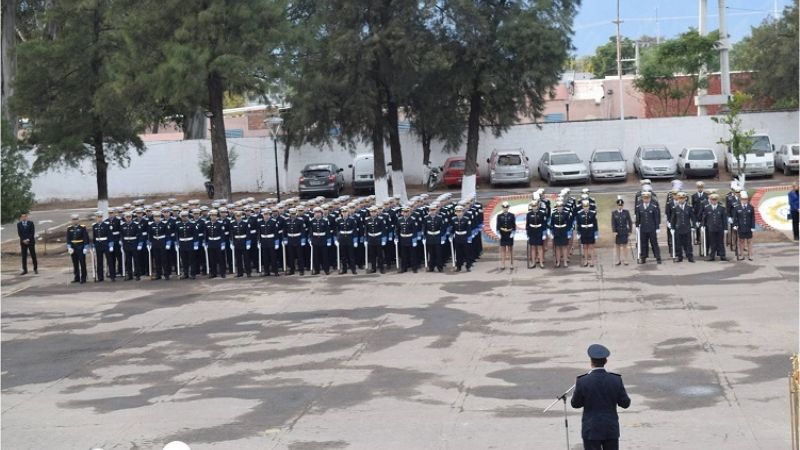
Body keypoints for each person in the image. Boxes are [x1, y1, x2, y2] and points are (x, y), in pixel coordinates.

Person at [571, 344, 631, 450]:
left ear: (591, 362)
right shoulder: (616, 380)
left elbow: (575, 404)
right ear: (606, 361)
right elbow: (625, 404)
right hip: (610, 429)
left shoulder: (582, 381)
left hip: (591, 429)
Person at [635, 191, 661, 264]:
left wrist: (657, 227)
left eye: (647, 198)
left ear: (650, 198)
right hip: (643, 228)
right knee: (643, 244)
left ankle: (658, 257)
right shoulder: (639, 206)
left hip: (652, 228)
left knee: (654, 243)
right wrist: (637, 225)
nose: (646, 199)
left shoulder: (653, 206)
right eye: (644, 198)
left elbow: (656, 218)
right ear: (642, 198)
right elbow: (638, 217)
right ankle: (643, 257)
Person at [669, 192, 695, 263]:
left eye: (682, 198)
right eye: (680, 198)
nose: (681, 200)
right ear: (678, 199)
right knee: (678, 244)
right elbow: (673, 219)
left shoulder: (689, 207)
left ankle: (690, 257)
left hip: (687, 228)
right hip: (678, 228)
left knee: (688, 243)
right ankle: (679, 257)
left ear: (685, 199)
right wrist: (672, 228)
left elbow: (693, 217)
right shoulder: (675, 208)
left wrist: (693, 226)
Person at [91, 211, 116, 282]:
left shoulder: (106, 225)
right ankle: (100, 277)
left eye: (100, 217)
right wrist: (93, 245)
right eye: (98, 217)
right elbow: (94, 237)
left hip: (105, 244)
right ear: (96, 218)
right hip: (98, 244)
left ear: (102, 217)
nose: (99, 218)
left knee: (109, 260)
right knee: (99, 261)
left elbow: (110, 236)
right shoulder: (94, 226)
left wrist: (111, 245)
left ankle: (112, 276)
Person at [703, 193, 728, 261]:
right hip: (711, 228)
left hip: (720, 228)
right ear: (710, 200)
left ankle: (722, 256)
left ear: (717, 200)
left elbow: (724, 219)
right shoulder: (707, 208)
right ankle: (712, 256)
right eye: (712, 200)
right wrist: (703, 225)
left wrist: (725, 228)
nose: (714, 201)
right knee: (712, 242)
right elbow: (704, 218)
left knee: (720, 242)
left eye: (715, 200)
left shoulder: (722, 208)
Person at [395, 205, 419, 273]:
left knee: (413, 254)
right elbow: (397, 229)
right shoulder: (399, 219)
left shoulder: (412, 220)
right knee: (403, 255)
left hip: (410, 238)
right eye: (404, 212)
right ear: (402, 212)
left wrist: (414, 240)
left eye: (407, 212)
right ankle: (404, 268)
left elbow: (415, 230)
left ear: (409, 212)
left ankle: (414, 268)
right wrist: (396, 237)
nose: (405, 213)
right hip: (403, 238)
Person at [732, 191, 756, 261]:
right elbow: (735, 218)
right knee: (741, 241)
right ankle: (742, 255)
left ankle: (750, 255)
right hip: (741, 227)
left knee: (749, 241)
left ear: (747, 199)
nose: (744, 200)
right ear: (741, 199)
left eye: (745, 199)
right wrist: (735, 225)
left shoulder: (751, 207)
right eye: (743, 199)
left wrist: (753, 226)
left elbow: (753, 218)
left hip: (748, 227)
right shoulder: (737, 207)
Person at [66, 214, 89, 283]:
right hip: (73, 248)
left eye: (76, 219)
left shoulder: (82, 227)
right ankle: (77, 277)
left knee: (82, 263)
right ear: (72, 220)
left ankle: (83, 277)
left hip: (80, 247)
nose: (75, 221)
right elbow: (68, 239)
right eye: (73, 219)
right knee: (75, 263)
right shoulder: (69, 228)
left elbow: (85, 238)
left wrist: (85, 247)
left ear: (78, 220)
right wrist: (69, 247)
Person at [525, 198, 548, 269]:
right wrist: (527, 234)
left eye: (535, 206)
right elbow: (527, 225)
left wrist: (544, 233)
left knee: (540, 247)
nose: (534, 207)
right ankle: (533, 262)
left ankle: (541, 262)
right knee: (533, 248)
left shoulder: (541, 213)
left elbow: (544, 224)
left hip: (539, 231)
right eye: (533, 206)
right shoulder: (529, 214)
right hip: (532, 232)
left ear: (538, 206)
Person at [422, 204, 445, 272]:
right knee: (431, 253)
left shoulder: (440, 218)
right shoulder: (426, 218)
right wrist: (424, 236)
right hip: (429, 237)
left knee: (438, 253)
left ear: (436, 210)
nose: (432, 211)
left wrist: (441, 236)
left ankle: (440, 267)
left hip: (437, 236)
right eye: (431, 210)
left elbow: (443, 228)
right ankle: (431, 267)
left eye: (434, 210)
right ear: (429, 210)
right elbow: (424, 228)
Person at [205, 209, 227, 279]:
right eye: (212, 215)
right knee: (212, 259)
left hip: (218, 242)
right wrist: (206, 242)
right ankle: (213, 273)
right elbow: (206, 234)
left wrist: (222, 243)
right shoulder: (207, 224)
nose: (213, 217)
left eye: (214, 215)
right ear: (210, 216)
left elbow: (222, 234)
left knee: (220, 258)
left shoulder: (220, 224)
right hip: (211, 243)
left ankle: (222, 273)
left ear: (216, 216)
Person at [575, 200, 598, 267]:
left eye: (587, 206)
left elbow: (595, 224)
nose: (586, 208)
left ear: (589, 206)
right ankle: (586, 260)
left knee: (591, 246)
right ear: (582, 207)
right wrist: (578, 232)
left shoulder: (593, 213)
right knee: (585, 247)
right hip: (583, 231)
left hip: (590, 231)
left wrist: (596, 232)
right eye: (584, 206)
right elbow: (578, 224)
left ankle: (592, 261)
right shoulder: (579, 213)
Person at [549, 200, 572, 268]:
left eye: (561, 206)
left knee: (564, 247)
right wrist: (551, 232)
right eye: (558, 206)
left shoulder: (566, 214)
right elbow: (552, 224)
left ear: (562, 207)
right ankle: (558, 262)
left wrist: (568, 232)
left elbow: (569, 224)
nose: (559, 208)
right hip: (556, 232)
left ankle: (565, 261)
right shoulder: (554, 214)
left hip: (563, 231)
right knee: (557, 247)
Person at [309, 207, 331, 275]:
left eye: (319, 212)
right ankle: (317, 270)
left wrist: (328, 240)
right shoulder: (312, 221)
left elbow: (327, 231)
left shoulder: (325, 221)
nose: (317, 214)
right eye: (316, 213)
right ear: (314, 213)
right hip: (315, 240)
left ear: (321, 213)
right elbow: (310, 231)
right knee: (316, 256)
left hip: (323, 240)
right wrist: (310, 239)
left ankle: (326, 269)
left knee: (325, 256)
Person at [611, 197, 632, 266]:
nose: (620, 206)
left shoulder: (626, 212)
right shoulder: (614, 213)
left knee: (625, 246)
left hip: (624, 231)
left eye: (621, 205)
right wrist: (614, 231)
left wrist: (630, 231)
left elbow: (630, 222)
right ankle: (618, 260)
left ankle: (625, 259)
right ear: (617, 205)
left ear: (623, 205)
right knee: (617, 246)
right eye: (619, 205)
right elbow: (613, 223)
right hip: (617, 232)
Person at [451, 205, 472, 272]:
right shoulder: (453, 219)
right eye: (457, 211)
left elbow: (468, 229)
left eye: (460, 211)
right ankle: (458, 267)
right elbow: (453, 229)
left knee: (466, 253)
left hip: (464, 237)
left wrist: (469, 237)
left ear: (463, 212)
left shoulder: (466, 219)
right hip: (457, 237)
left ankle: (468, 266)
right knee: (458, 253)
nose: (459, 213)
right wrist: (451, 234)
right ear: (455, 212)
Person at [496, 201, 516, 270]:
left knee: (510, 249)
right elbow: (498, 226)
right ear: (502, 208)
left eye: (506, 207)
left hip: (509, 234)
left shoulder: (512, 215)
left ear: (508, 207)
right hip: (502, 234)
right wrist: (498, 234)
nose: (505, 208)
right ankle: (503, 264)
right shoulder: (499, 216)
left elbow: (514, 226)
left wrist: (513, 233)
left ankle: (511, 264)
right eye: (504, 207)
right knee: (503, 250)